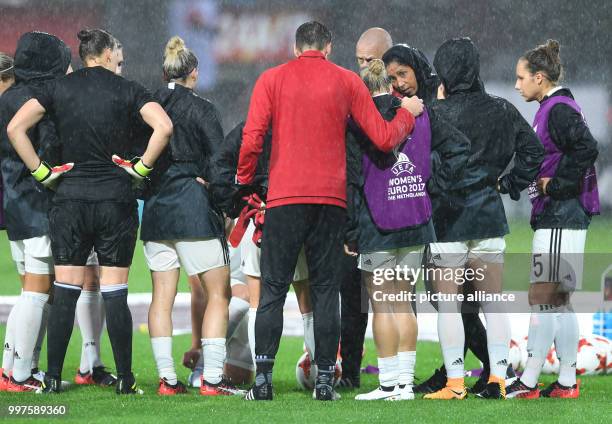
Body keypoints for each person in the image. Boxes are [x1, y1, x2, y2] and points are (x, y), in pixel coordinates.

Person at [237, 21, 424, 401]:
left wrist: (244, 180)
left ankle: (263, 382)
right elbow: (384, 137)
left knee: (272, 290)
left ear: (295, 49)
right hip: (330, 199)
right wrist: (407, 113)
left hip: (285, 198)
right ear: (328, 48)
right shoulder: (345, 81)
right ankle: (325, 381)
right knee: (325, 291)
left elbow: (253, 137)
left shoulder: (270, 80)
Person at [6, 28, 173, 394]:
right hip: (115, 200)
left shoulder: (59, 88)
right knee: (115, 291)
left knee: (65, 289)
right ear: (109, 53)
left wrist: (41, 172)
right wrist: (140, 169)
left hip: (70, 201)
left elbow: (16, 127)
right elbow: (164, 127)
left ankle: (50, 378)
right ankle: (125, 380)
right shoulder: (128, 89)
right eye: (119, 52)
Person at [420, 37, 544, 400]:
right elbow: (533, 152)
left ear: (443, 70)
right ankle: (499, 380)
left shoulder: (434, 113)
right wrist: (508, 183)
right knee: (494, 303)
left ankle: (455, 384)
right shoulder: (501, 109)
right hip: (489, 216)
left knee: (448, 305)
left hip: (448, 219)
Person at [347, 58, 470, 401]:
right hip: (417, 219)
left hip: (378, 222)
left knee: (382, 304)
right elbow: (459, 147)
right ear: (389, 84)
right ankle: (404, 385)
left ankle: (387, 384)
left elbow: (352, 180)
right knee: (403, 301)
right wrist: (432, 186)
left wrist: (349, 231)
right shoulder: (421, 113)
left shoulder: (358, 120)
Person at [382, 43, 493, 394]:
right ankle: (465, 369)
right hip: (434, 216)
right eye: (391, 77)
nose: (398, 82)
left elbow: (456, 150)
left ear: (418, 69)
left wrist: (434, 186)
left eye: (403, 74)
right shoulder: (411, 106)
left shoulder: (435, 107)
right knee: (451, 301)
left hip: (450, 215)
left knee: (456, 302)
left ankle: (482, 369)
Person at [140, 36, 238, 396]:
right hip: (194, 209)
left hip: (155, 213)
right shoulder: (203, 109)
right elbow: (219, 162)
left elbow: (140, 157)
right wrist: (225, 201)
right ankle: (212, 379)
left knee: (160, 298)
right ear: (193, 74)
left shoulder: (146, 105)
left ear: (166, 71)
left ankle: (167, 380)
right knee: (218, 294)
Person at [507, 40, 599, 399]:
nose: (517, 85)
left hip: (562, 213)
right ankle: (565, 380)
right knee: (558, 299)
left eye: (521, 78)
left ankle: (530, 381)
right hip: (561, 214)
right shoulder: (554, 106)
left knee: (543, 296)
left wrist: (558, 185)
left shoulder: (558, 108)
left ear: (540, 78)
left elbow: (587, 147)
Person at [210, 122, 316, 372]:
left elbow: (220, 166)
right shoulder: (302, 124)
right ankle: (321, 371)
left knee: (258, 298)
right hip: (297, 213)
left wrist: (234, 203)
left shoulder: (252, 126)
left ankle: (262, 375)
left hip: (260, 215)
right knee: (306, 297)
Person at [0, 32, 71, 392]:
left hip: (16, 207)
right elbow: (46, 148)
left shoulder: (8, 96)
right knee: (38, 292)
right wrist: (49, 171)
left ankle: (13, 367)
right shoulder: (32, 100)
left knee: (31, 290)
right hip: (36, 205)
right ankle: (20, 375)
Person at [334, 27, 395, 390]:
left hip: (382, 219)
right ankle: (354, 373)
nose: (362, 67)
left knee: (393, 300)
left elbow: (355, 172)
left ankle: (399, 376)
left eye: (369, 60)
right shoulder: (355, 102)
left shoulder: (398, 106)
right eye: (358, 60)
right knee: (354, 300)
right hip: (360, 217)